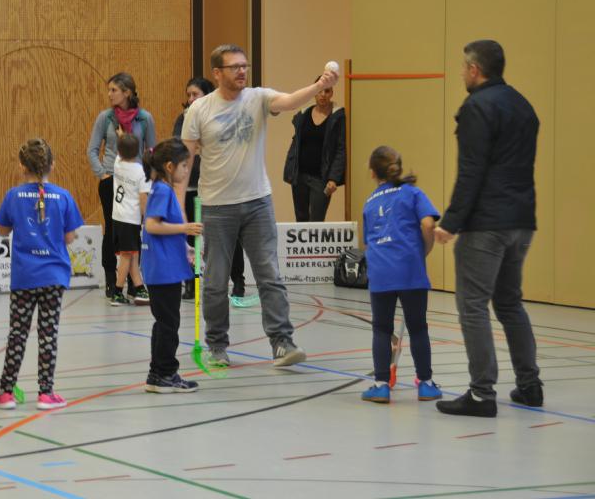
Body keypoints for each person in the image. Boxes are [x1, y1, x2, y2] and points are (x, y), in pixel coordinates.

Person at [181, 44, 338, 368]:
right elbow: (185, 162)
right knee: (215, 282)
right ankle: (217, 346)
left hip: (257, 204)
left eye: (244, 65)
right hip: (216, 207)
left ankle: (282, 343)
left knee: (269, 275)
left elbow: (290, 100)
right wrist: (179, 210)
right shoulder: (198, 110)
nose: (242, 71)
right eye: (234, 67)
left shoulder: (259, 98)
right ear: (217, 73)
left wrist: (319, 86)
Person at [434, 39, 543, 417]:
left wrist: (451, 221)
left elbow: (472, 170)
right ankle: (530, 385)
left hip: (487, 225)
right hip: (522, 221)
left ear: (474, 70)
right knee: (510, 303)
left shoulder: (477, 107)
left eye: (463, 68)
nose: (462, 74)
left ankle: (482, 394)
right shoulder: (523, 104)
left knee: (473, 306)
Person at [0, 138, 84, 411]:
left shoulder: (13, 196)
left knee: (17, 333)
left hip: (24, 277)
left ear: (22, 166)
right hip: (53, 276)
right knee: (48, 334)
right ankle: (46, 393)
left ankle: (5, 392)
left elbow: (2, 231)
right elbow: (70, 237)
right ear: (52, 165)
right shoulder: (63, 196)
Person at [359, 146, 442, 404]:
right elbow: (428, 224)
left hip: (380, 271)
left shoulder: (369, 202)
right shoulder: (412, 192)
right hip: (409, 268)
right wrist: (424, 250)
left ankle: (381, 385)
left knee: (381, 329)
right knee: (418, 327)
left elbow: (367, 243)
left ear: (372, 173)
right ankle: (426, 384)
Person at [173, 77, 245, 301]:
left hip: (216, 188)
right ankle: (191, 282)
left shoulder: (220, 116)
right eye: (188, 95)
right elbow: (179, 148)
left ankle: (238, 280)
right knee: (189, 236)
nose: (190, 99)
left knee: (229, 236)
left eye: (195, 94)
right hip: (190, 187)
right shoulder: (183, 118)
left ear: (207, 95)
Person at [87, 73, 156, 298]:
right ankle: (111, 278)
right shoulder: (105, 118)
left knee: (133, 230)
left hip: (135, 181)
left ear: (127, 92)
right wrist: (102, 174)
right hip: (111, 180)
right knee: (112, 229)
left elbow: (151, 151)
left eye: (114, 90)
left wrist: (148, 178)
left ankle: (133, 282)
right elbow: (92, 150)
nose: (109, 94)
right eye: (109, 90)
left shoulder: (145, 118)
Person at [141, 138, 201, 393]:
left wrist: (185, 247)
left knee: (164, 322)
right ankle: (165, 373)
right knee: (168, 324)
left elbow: (165, 230)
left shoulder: (162, 189)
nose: (187, 170)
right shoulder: (163, 190)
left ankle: (157, 374)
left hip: (164, 266)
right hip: (163, 270)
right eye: (184, 166)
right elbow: (152, 225)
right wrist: (185, 228)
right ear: (169, 166)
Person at [283, 78, 346, 221]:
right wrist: (290, 169)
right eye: (319, 91)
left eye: (327, 91)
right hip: (300, 177)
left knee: (317, 222)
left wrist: (333, 178)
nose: (323, 95)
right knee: (301, 220)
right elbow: (296, 144)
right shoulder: (303, 115)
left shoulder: (338, 117)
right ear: (314, 92)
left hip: (321, 180)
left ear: (331, 93)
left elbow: (340, 150)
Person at [109, 134, 150, 306]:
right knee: (127, 255)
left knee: (133, 253)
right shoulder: (141, 172)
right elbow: (143, 200)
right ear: (138, 150)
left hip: (117, 218)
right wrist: (147, 219)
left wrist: (120, 135)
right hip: (130, 220)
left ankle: (139, 287)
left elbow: (120, 151)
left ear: (119, 151)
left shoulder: (117, 164)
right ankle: (117, 292)